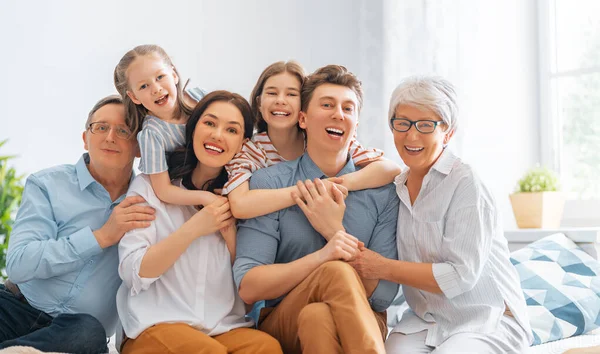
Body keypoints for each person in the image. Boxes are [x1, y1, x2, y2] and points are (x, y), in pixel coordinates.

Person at [349, 76, 533, 354]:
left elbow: (459, 276)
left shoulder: (466, 184)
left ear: (448, 132)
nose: (411, 136)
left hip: (489, 319)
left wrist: (382, 266)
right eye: (403, 123)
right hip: (429, 321)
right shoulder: (396, 187)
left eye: (426, 125)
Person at [233, 65, 400, 354]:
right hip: (283, 317)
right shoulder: (269, 184)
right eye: (327, 105)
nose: (338, 114)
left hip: (365, 318)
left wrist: (334, 231)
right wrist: (325, 257)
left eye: (348, 108)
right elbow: (249, 287)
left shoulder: (383, 191)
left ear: (356, 124)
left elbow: (384, 296)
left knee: (317, 317)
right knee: (334, 272)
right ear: (303, 118)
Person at [116, 91, 282, 354]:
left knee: (267, 348)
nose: (217, 135)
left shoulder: (246, 201)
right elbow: (133, 273)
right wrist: (195, 228)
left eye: (231, 129)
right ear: (193, 129)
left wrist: (230, 239)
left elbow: (250, 298)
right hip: (155, 325)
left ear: (243, 143)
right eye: (209, 123)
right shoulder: (152, 187)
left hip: (224, 328)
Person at [1, 95, 155, 353]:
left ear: (139, 147)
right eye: (101, 127)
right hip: (14, 306)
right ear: (86, 138)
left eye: (123, 130)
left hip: (77, 333)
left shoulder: (150, 204)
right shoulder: (47, 184)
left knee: (88, 332)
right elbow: (18, 265)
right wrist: (101, 237)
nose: (110, 137)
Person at [223, 60, 402, 219]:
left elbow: (390, 169)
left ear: (303, 106)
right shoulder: (251, 150)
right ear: (259, 103)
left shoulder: (320, 139)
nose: (280, 100)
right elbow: (240, 206)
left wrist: (338, 184)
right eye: (272, 93)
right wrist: (314, 188)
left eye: (291, 94)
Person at [114, 44, 216, 208]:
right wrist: (205, 198)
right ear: (134, 97)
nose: (156, 89)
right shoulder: (152, 134)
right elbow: (163, 190)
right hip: (197, 190)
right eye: (143, 86)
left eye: (160, 77)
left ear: (174, 74)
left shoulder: (201, 97)